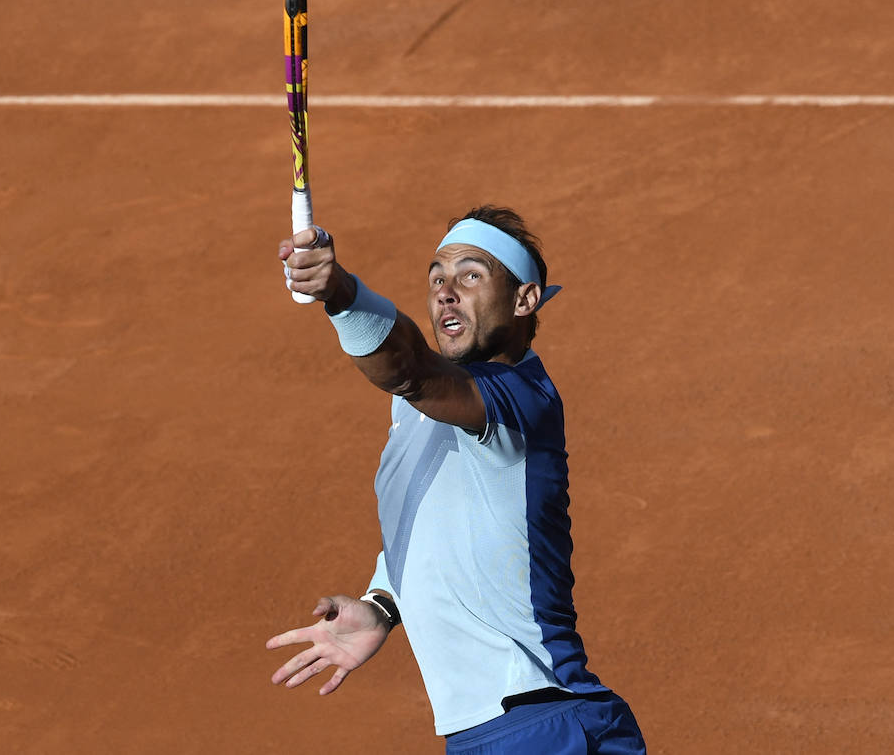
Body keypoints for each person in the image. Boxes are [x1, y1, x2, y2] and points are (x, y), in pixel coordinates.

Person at [266, 205, 647, 755]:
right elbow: (443, 517)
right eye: (437, 277)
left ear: (524, 300)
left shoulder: (520, 397)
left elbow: (408, 368)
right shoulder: (416, 413)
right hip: (495, 733)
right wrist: (381, 604)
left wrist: (342, 293)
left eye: (471, 275)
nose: (446, 291)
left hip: (544, 722)